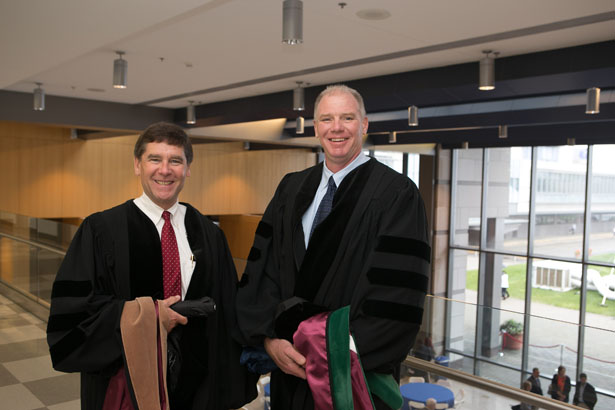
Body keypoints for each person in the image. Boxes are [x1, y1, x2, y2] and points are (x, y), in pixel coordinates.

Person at [236, 84, 430, 409]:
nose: (336, 128)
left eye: (347, 118)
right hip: (288, 375)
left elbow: (398, 301)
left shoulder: (397, 195)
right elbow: (262, 271)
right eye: (327, 119)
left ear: (364, 125)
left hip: (351, 381)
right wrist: (269, 339)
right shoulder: (291, 188)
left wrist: (324, 352)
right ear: (316, 128)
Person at [47, 122, 256, 410]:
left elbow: (228, 311)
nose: (165, 170)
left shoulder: (210, 234)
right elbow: (76, 314)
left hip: (198, 388)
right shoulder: (101, 230)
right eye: (154, 159)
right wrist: (150, 317)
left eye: (175, 161)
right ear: (137, 165)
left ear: (188, 168)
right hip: (126, 386)